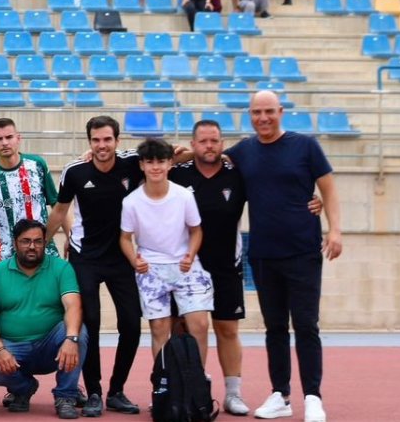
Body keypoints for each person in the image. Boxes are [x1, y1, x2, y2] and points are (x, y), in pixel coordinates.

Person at [225, 91, 341, 422]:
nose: (263, 118)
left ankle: (313, 397)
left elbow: (329, 189)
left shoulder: (306, 146)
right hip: (263, 253)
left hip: (303, 251)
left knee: (306, 325)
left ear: (281, 112)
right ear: (249, 115)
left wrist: (335, 230)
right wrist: (176, 155)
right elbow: (209, 155)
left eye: (269, 111)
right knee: (274, 327)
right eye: (256, 112)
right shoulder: (245, 150)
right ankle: (281, 394)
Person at [44, 116, 143, 417]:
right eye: (96, 140)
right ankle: (95, 393)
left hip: (121, 257)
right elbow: (60, 210)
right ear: (89, 142)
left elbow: (172, 155)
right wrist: (41, 244)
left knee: (132, 324)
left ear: (117, 140)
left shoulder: (133, 163)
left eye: (107, 140)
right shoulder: (75, 171)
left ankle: (117, 391)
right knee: (92, 324)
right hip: (85, 257)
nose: (102, 145)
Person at [169, 121, 251, 416]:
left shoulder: (237, 174)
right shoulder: (177, 174)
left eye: (214, 141)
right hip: (187, 266)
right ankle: (194, 388)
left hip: (226, 265)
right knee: (186, 329)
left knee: (227, 329)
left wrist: (312, 200)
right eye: (202, 141)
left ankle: (233, 393)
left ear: (221, 142)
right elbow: (141, 170)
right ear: (193, 144)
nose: (209, 146)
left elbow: (273, 192)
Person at [0, 219, 84, 420]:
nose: (32, 246)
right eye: (26, 241)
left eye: (38, 241)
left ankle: (65, 396)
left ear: (45, 242)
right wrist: (0, 350)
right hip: (12, 347)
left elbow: (73, 305)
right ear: (15, 243)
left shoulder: (61, 268)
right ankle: (24, 388)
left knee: (79, 332)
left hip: (50, 345)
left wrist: (71, 339)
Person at [118, 138, 212, 363]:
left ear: (171, 164)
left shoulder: (184, 196)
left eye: (161, 161)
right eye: (150, 162)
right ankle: (163, 384)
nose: (155, 167)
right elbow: (124, 238)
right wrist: (134, 260)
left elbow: (196, 231)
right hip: (151, 268)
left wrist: (190, 254)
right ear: (142, 165)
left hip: (185, 265)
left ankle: (197, 381)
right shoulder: (131, 202)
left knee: (199, 323)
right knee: (159, 328)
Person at [0, 118, 60, 272]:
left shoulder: (37, 165)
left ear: (18, 138)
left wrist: (71, 239)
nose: (4, 143)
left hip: (45, 252)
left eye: (9, 137)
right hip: (7, 257)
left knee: (50, 296)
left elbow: (59, 205)